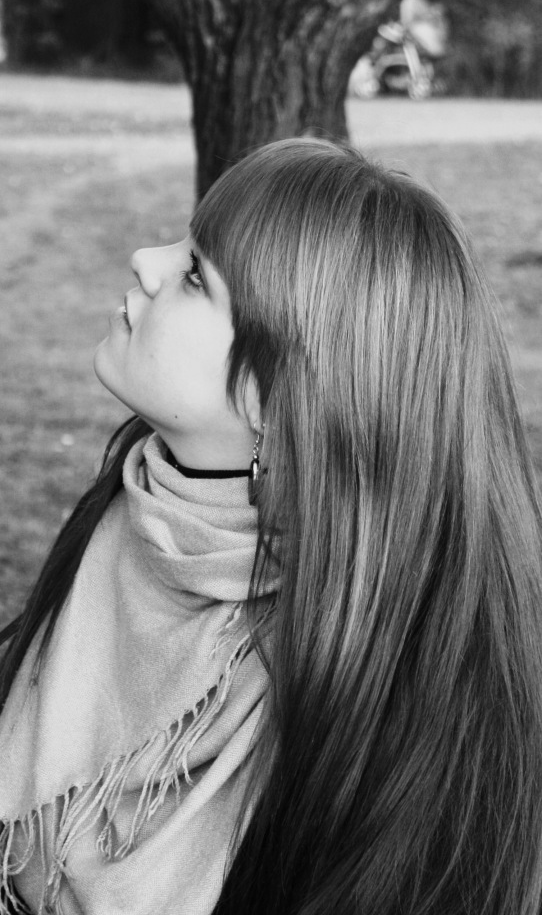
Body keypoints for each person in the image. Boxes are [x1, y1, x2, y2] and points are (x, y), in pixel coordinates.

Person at [1, 137, 542, 915]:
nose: (146, 261)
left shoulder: (380, 718)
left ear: (283, 402)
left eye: (196, 276)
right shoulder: (136, 507)